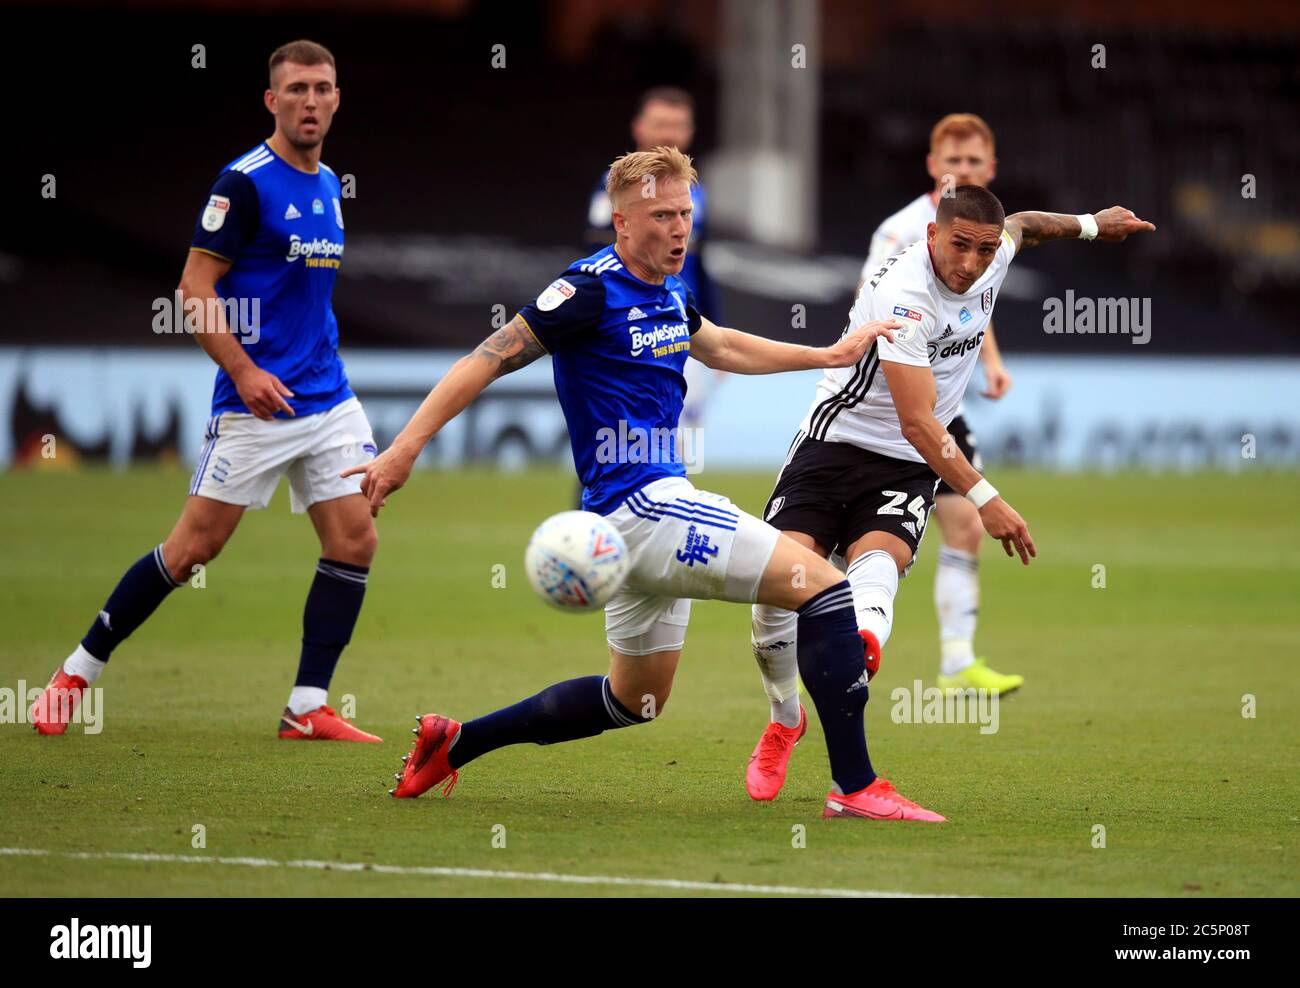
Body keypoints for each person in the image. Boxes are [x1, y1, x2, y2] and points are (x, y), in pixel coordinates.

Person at [349, 146, 949, 822]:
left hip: (634, 523)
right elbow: (484, 360)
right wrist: (404, 448)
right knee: (827, 587)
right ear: (621, 221)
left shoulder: (667, 290)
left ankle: (454, 743)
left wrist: (827, 354)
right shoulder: (585, 291)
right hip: (642, 507)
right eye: (662, 215)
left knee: (635, 700)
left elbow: (717, 345)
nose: (678, 229)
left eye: (685, 214)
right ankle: (855, 785)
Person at [744, 185, 1155, 801]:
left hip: (906, 464)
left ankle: (861, 649)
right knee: (775, 596)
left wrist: (1092, 225)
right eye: (958, 245)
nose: (970, 263)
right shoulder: (906, 295)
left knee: (879, 562)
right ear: (932, 236)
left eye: (983, 250)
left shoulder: (996, 251)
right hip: (835, 444)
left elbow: (1024, 224)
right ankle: (785, 720)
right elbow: (917, 418)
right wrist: (989, 498)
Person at [29, 40, 382, 743]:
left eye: (323, 88)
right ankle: (76, 671)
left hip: (328, 397)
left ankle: (307, 706)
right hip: (258, 401)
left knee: (356, 538)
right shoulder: (244, 182)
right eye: (297, 90)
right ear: (271, 100)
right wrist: (245, 371)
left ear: (338, 97)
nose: (310, 101)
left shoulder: (329, 184)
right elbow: (194, 289)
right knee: (193, 550)